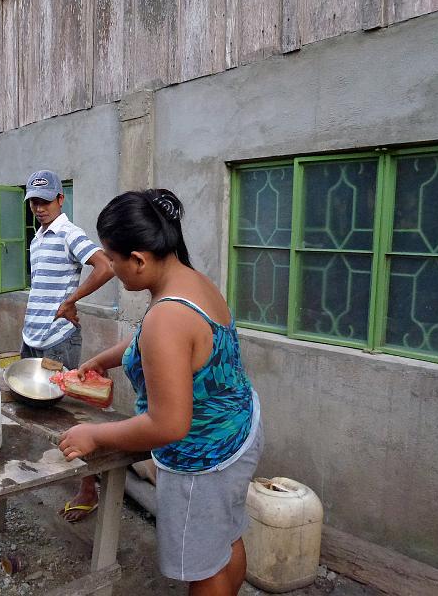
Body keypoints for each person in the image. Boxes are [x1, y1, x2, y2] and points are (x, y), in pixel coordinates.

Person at [58, 189, 263, 595]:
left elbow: (169, 424)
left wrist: (94, 435)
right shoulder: (189, 280)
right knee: (225, 538)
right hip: (240, 428)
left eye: (113, 260)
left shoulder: (167, 317)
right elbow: (160, 344)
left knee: (203, 566)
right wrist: (106, 359)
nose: (111, 268)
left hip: (205, 457)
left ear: (138, 259)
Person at [20, 169, 115, 522]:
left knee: (68, 415)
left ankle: (89, 489)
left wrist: (73, 299)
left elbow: (105, 267)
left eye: (45, 201)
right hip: (32, 334)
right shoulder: (39, 236)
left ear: (61, 199)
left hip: (59, 338)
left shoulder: (68, 232)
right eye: (33, 202)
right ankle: (50, 470)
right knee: (30, 407)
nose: (39, 208)